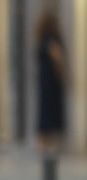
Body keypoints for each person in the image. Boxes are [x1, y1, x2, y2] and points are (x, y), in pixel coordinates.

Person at [35, 12, 66, 154]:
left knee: (45, 111)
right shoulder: (51, 39)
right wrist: (62, 73)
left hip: (45, 81)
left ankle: (45, 146)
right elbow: (57, 56)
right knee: (50, 111)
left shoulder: (42, 39)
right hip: (51, 82)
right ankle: (49, 146)